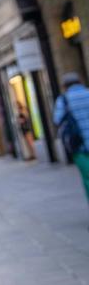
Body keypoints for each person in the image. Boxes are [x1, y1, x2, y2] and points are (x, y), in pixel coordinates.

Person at [54, 72, 89, 203]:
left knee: (87, 178)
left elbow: (57, 120)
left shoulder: (64, 100)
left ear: (65, 86)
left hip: (79, 145)